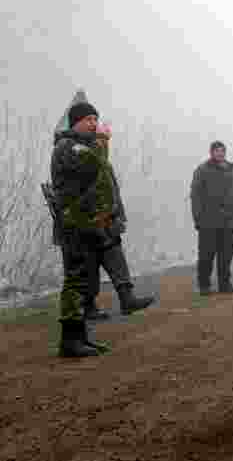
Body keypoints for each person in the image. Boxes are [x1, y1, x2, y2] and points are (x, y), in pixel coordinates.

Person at [50, 102, 153, 357]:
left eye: (96, 119)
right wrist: (102, 143)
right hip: (74, 223)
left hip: (88, 222)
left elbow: (102, 178)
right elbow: (91, 168)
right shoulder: (67, 147)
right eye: (88, 119)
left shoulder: (83, 146)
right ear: (75, 123)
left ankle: (80, 337)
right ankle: (70, 341)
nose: (94, 124)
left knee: (82, 281)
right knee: (76, 281)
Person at [81, 129, 156, 320]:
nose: (103, 144)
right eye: (100, 140)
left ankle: (127, 300)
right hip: (90, 224)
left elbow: (114, 192)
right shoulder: (84, 163)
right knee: (89, 268)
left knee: (117, 262)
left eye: (105, 141)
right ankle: (88, 307)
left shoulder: (106, 164)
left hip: (109, 222)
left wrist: (120, 216)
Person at [190, 141, 233, 294]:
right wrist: (198, 218)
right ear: (211, 152)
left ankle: (224, 284)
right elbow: (195, 196)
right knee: (206, 255)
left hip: (230, 221)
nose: (220, 153)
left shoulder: (232, 170)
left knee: (226, 255)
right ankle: (204, 285)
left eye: (222, 151)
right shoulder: (202, 170)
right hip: (209, 221)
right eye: (217, 151)